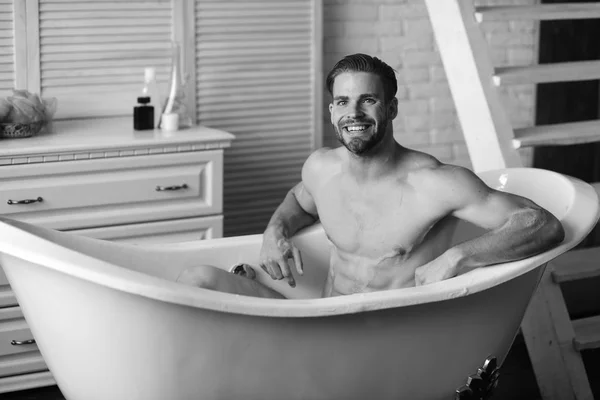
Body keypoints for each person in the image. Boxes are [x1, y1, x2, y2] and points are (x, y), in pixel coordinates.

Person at [177, 53, 565, 298]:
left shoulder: (434, 183)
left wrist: (458, 258)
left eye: (368, 100)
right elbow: (298, 201)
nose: (354, 113)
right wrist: (274, 231)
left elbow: (542, 225)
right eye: (343, 101)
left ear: (391, 108)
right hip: (319, 320)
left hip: (383, 337)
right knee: (196, 279)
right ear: (332, 112)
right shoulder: (321, 168)